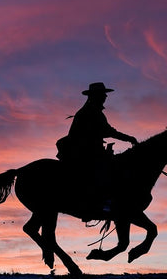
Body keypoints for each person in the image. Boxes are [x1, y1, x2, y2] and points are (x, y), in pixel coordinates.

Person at [56, 82, 137, 214]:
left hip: (87, 149)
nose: (105, 96)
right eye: (103, 94)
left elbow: (105, 131)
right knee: (107, 171)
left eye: (105, 94)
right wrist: (129, 138)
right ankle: (103, 204)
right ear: (96, 96)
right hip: (84, 151)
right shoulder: (91, 112)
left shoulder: (91, 111)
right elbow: (107, 131)